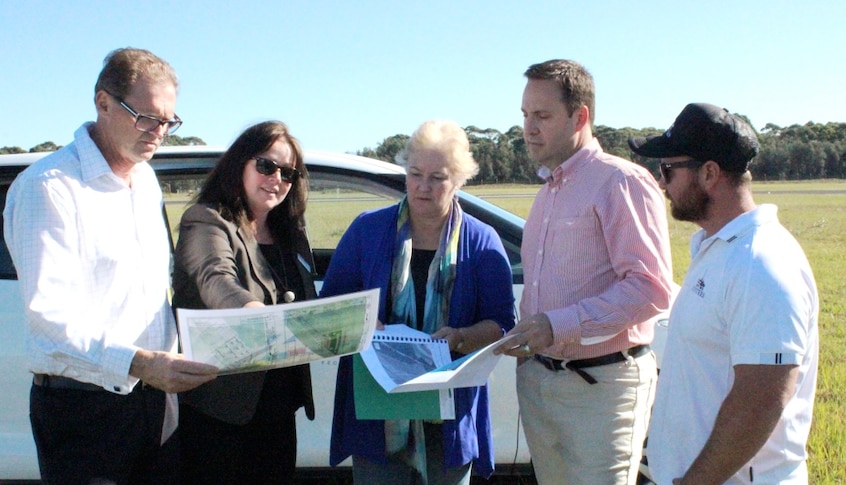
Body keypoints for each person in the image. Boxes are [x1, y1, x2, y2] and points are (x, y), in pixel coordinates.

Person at [2, 47, 219, 483]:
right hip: (84, 409)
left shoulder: (145, 180)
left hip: (154, 398)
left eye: (168, 122)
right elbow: (49, 317)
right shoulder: (50, 188)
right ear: (103, 103)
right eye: (147, 117)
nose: (159, 132)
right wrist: (139, 363)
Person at [494, 59, 674, 484]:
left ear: (581, 116)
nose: (529, 128)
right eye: (524, 115)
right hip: (541, 384)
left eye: (542, 116)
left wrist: (557, 326)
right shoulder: (548, 192)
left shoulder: (620, 181)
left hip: (601, 389)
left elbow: (650, 289)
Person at [628, 102, 819, 484]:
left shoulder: (760, 264)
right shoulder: (719, 247)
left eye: (667, 169)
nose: (662, 183)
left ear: (710, 173)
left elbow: (761, 401)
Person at [321, 120, 516, 484]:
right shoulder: (366, 230)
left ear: (458, 181)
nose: (423, 187)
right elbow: (329, 307)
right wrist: (362, 325)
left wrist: (459, 336)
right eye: (415, 174)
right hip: (378, 414)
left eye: (437, 178)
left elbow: (502, 326)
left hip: (450, 417)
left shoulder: (483, 241)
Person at [172, 120, 316, 484]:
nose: (277, 179)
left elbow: (306, 299)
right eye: (267, 166)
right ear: (240, 163)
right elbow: (214, 279)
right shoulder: (205, 220)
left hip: (280, 406)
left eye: (288, 172)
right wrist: (256, 314)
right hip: (221, 411)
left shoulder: (291, 232)